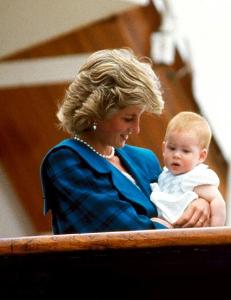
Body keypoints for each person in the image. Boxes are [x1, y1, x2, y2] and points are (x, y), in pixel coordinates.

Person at [40, 48, 211, 234]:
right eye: (128, 118)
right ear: (98, 111)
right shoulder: (66, 160)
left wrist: (202, 202)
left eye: (140, 117)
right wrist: (167, 225)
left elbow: (179, 201)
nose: (137, 129)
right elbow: (123, 229)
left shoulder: (145, 159)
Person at [150, 111, 226, 228]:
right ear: (164, 148)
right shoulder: (164, 174)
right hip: (169, 226)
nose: (176, 155)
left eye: (185, 151)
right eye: (172, 148)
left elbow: (218, 201)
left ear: (201, 156)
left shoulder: (194, 177)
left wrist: (215, 232)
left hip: (189, 229)